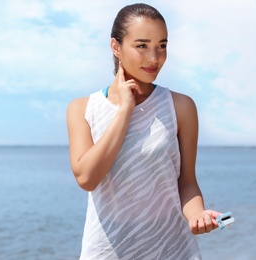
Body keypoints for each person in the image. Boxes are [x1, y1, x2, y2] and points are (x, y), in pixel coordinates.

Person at [67, 3, 222, 260]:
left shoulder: (180, 106)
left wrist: (197, 215)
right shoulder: (83, 109)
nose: (154, 58)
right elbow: (87, 178)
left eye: (162, 45)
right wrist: (125, 110)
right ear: (116, 47)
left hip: (173, 250)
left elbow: (187, 181)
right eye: (142, 46)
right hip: (107, 252)